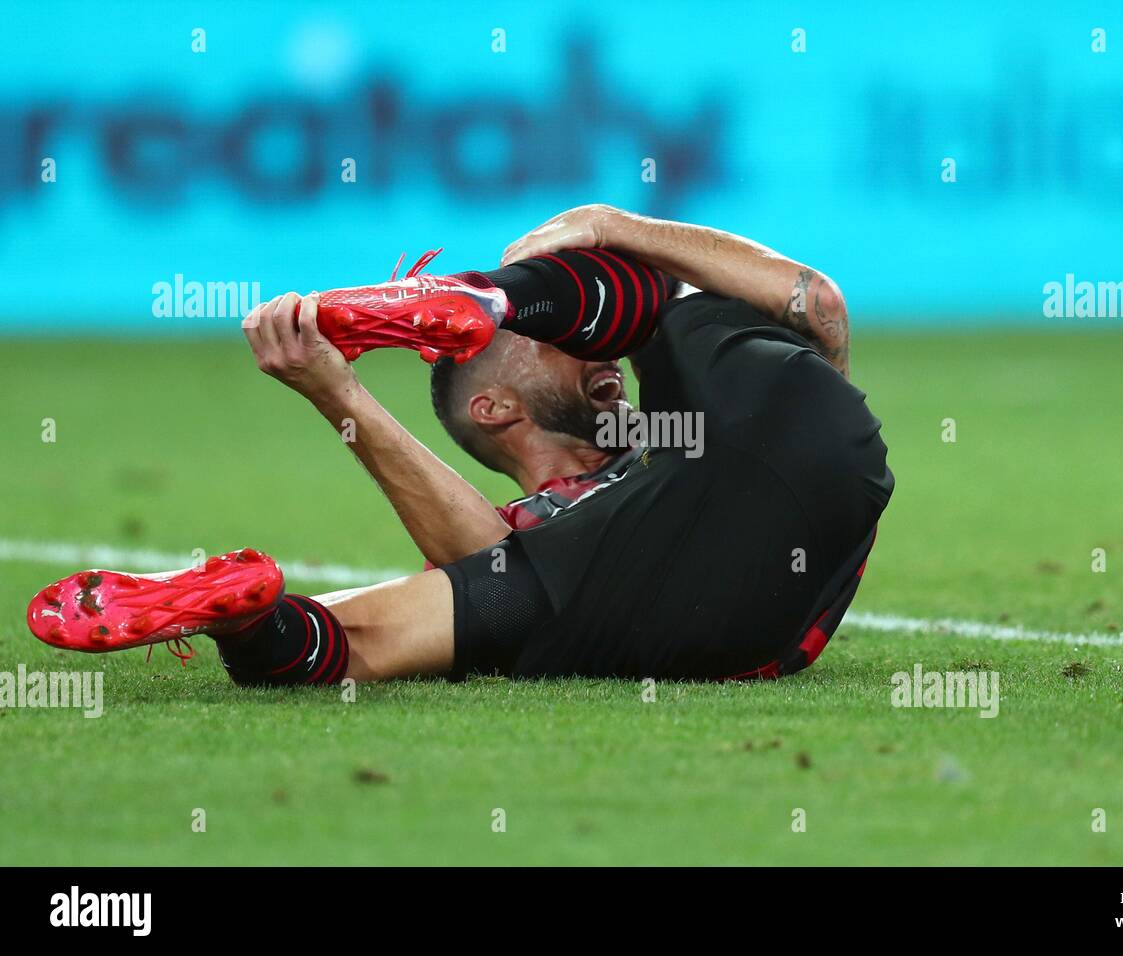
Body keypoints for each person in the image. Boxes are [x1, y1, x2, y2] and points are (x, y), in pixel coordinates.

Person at [27, 205, 893, 685]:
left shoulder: (659, 435)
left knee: (483, 600)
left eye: (580, 333)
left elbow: (810, 308)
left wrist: (610, 223)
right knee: (515, 581)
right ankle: (242, 611)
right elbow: (819, 305)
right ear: (493, 409)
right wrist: (338, 391)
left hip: (717, 562)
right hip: (741, 562)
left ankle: (497, 300)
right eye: (564, 348)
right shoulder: (538, 543)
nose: (601, 359)